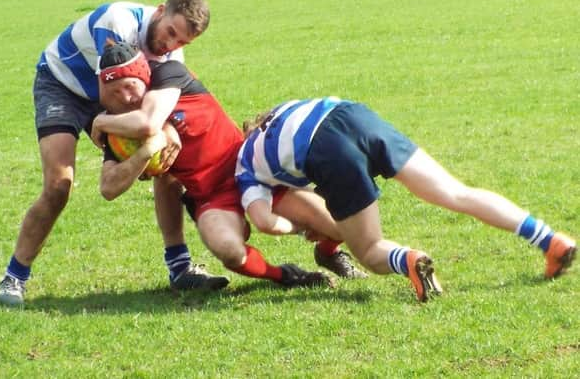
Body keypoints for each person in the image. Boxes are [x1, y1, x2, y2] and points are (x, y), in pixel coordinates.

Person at [0, 0, 228, 306]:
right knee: (58, 185)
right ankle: (14, 277)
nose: (170, 45)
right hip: (61, 85)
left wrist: (165, 132)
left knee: (167, 161)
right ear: (160, 11)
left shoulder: (172, 56)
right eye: (170, 32)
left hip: (114, 97)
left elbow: (150, 107)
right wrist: (146, 135)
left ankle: (179, 267)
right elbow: (111, 93)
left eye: (182, 43)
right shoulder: (118, 21)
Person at [236, 97, 577, 302]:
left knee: (369, 251)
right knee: (455, 192)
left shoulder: (245, 166)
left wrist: (298, 226)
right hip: (351, 114)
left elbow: (264, 221)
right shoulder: (281, 110)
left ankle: (408, 259)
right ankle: (549, 239)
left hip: (326, 149)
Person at [96, 41, 367, 288]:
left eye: (130, 86)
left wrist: (98, 122)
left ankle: (328, 253)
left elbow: (148, 122)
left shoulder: (169, 73)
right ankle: (286, 275)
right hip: (212, 197)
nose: (126, 98)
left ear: (144, 75)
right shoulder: (119, 130)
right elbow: (108, 188)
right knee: (229, 250)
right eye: (115, 91)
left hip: (253, 170)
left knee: (341, 224)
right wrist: (147, 151)